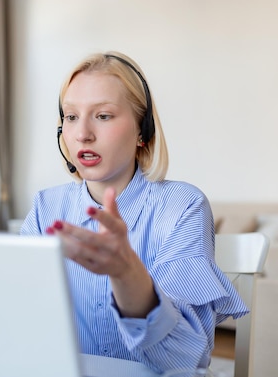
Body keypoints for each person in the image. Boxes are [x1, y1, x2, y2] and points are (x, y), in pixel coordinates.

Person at [20, 51, 247, 373]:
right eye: (71, 117)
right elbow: (21, 322)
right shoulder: (46, 207)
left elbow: (183, 360)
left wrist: (127, 273)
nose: (82, 133)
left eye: (103, 116)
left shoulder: (182, 206)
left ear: (143, 130)